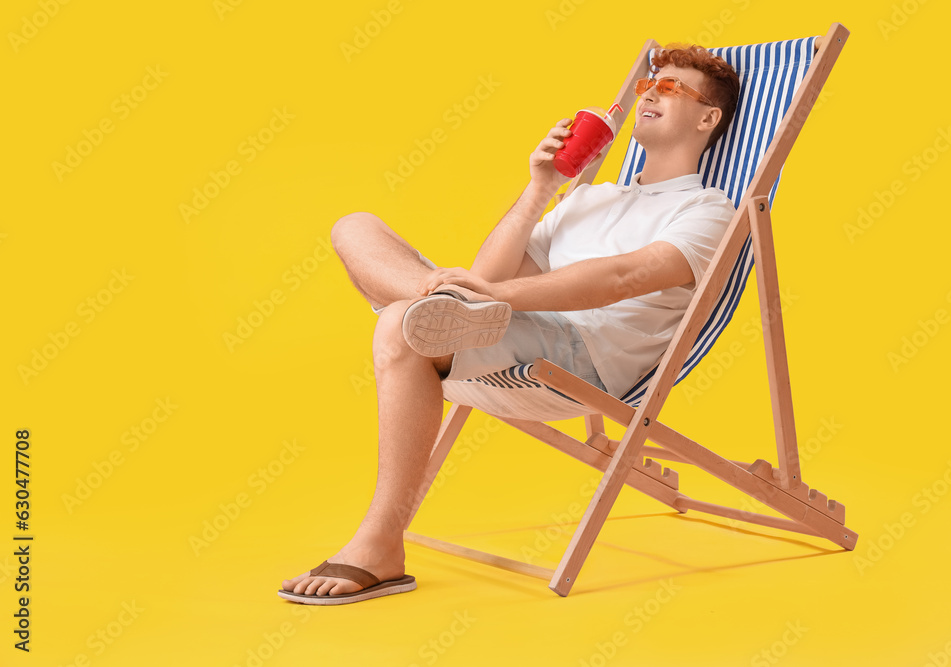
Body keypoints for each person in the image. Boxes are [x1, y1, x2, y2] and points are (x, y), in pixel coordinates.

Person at [278, 43, 740, 605]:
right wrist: (538, 190)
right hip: (505, 324)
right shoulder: (587, 196)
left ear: (707, 117)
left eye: (670, 87)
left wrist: (494, 295)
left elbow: (625, 277)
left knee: (403, 324)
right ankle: (430, 304)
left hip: (584, 357)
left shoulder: (710, 209)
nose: (650, 93)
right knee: (355, 227)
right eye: (649, 84)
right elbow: (489, 273)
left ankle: (378, 544)